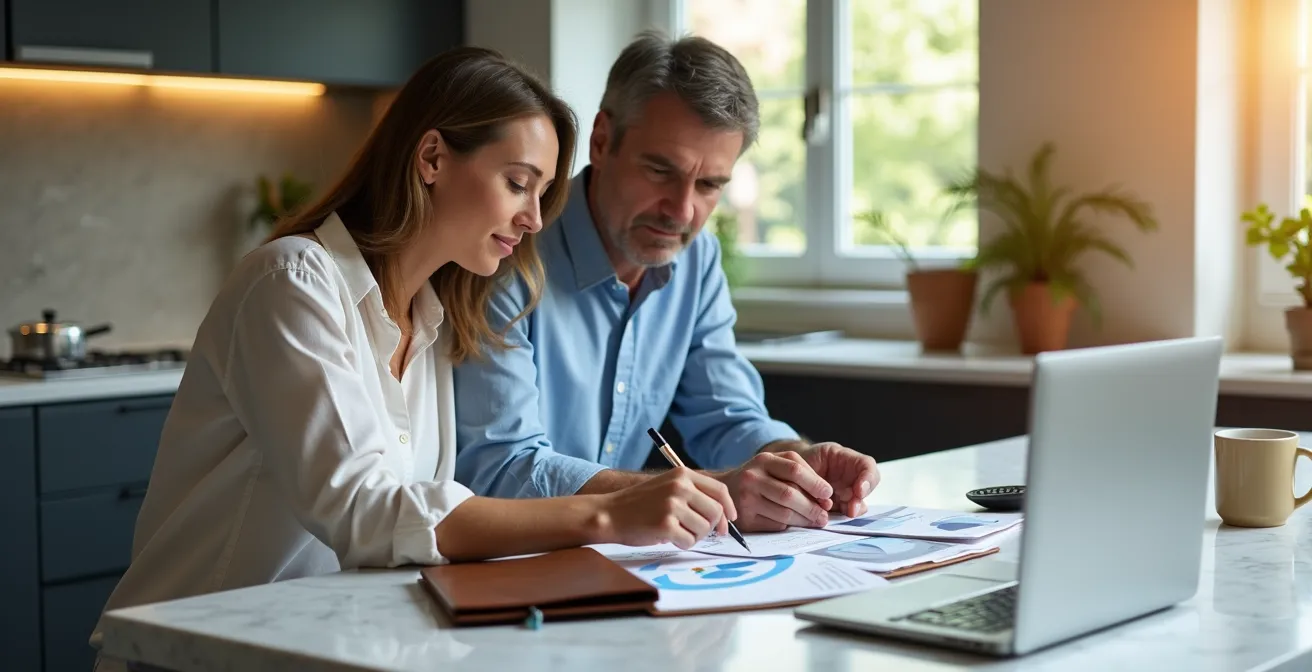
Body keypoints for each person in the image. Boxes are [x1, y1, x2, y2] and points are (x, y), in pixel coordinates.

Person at [90, 46, 739, 672]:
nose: (535, 220)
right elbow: (366, 510)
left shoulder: (437, 320)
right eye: (518, 184)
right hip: (189, 651)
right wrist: (608, 512)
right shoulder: (292, 283)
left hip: (320, 645)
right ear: (432, 158)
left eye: (542, 193)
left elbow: (413, 529)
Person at [453, 32, 881, 533]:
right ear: (601, 141)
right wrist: (717, 488)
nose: (681, 211)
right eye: (660, 171)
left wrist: (795, 462)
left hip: (617, 557)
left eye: (709, 185)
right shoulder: (507, 248)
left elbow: (725, 415)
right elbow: (500, 470)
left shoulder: (697, 259)